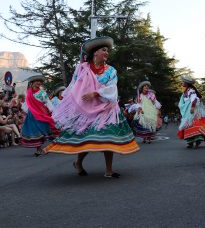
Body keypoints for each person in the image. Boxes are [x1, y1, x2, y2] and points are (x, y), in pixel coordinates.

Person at [45, 36, 140, 178]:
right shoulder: (82, 68)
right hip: (87, 110)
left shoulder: (111, 71)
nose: (107, 53)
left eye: (107, 50)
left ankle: (109, 170)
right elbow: (74, 86)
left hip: (106, 109)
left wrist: (95, 92)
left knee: (109, 137)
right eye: (104, 50)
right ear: (95, 53)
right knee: (86, 139)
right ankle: (78, 163)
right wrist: (70, 105)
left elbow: (112, 89)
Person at [20, 75, 57, 156]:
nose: (38, 83)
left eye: (40, 81)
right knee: (35, 131)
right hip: (31, 115)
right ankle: (38, 149)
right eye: (36, 81)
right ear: (32, 83)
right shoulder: (27, 92)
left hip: (41, 114)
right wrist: (25, 111)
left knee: (41, 131)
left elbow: (47, 102)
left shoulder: (42, 92)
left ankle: (41, 148)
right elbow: (26, 104)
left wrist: (52, 110)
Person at [177, 76, 205, 148]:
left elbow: (194, 99)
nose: (182, 83)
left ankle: (196, 140)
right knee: (189, 124)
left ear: (186, 83)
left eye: (183, 82)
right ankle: (191, 142)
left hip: (192, 110)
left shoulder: (190, 90)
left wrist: (192, 107)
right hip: (188, 110)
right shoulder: (187, 90)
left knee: (193, 123)